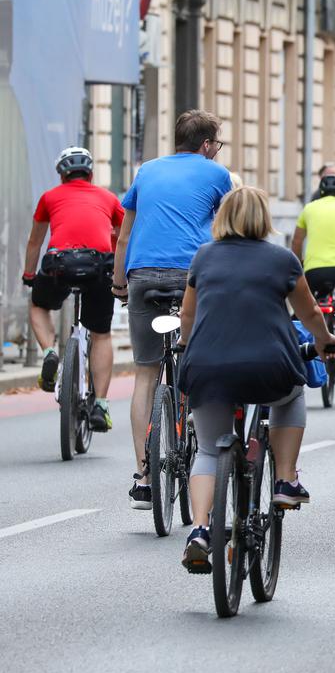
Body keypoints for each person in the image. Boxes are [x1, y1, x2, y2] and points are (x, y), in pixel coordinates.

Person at [176, 186, 335, 572]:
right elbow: (311, 313)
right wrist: (325, 341)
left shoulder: (203, 257)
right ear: (264, 219)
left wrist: (187, 346)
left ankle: (199, 529)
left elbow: (187, 316)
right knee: (291, 395)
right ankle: (284, 480)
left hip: (208, 368)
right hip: (269, 367)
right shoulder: (282, 260)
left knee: (206, 451)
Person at [111, 110, 233, 511]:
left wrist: (118, 283)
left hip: (143, 276)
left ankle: (144, 478)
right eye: (216, 143)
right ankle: (199, 430)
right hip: (192, 277)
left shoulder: (146, 171)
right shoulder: (217, 175)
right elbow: (232, 228)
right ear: (205, 145)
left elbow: (125, 233)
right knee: (199, 358)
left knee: (146, 373)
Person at [22, 147, 124, 430]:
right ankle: (101, 405)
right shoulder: (108, 198)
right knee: (101, 334)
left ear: (62, 175)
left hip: (60, 264)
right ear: (90, 174)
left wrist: (29, 274)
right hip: (99, 265)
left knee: (38, 305)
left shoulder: (49, 197)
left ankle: (48, 353)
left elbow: (35, 241)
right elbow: (124, 235)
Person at [291, 173, 335, 298]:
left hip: (313, 270)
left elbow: (297, 241)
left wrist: (298, 266)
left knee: (309, 307)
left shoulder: (308, 208)